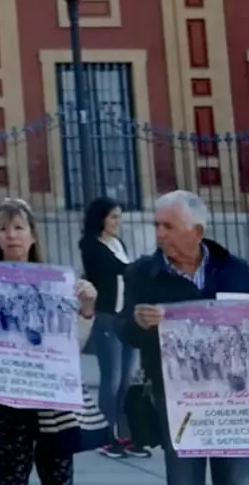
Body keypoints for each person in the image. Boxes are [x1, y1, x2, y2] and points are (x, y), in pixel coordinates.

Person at [122, 191, 249, 485]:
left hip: (235, 400)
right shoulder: (142, 274)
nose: (159, 234)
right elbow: (124, 330)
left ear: (197, 232)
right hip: (178, 399)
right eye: (156, 225)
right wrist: (139, 324)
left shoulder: (234, 269)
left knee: (237, 480)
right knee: (184, 480)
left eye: (168, 226)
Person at [0, 199, 99, 485]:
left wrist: (87, 309)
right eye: (3, 228)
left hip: (51, 400)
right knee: (9, 479)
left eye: (18, 227)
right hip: (4, 400)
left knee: (59, 478)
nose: (11, 235)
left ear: (32, 234)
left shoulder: (58, 284)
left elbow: (73, 345)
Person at [79, 194, 150, 459]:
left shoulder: (117, 242)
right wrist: (141, 266)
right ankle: (105, 436)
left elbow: (128, 270)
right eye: (113, 217)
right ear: (101, 219)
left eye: (119, 217)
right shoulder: (91, 246)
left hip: (126, 315)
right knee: (112, 377)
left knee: (129, 378)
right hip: (107, 316)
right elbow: (117, 269)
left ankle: (126, 434)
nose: (118, 222)